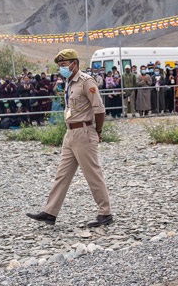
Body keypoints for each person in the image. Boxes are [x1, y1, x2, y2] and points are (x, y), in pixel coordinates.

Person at [27, 49, 113, 228]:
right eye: (59, 66)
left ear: (75, 64)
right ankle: (50, 211)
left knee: (93, 174)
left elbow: (99, 109)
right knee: (62, 174)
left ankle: (105, 213)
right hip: (70, 133)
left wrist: (98, 131)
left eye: (64, 65)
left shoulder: (85, 82)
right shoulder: (68, 82)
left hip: (84, 131)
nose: (61, 68)